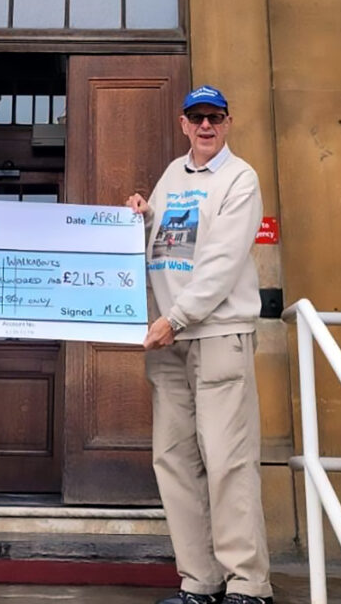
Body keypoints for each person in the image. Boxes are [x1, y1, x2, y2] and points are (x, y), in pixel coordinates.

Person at [126, 86, 273, 604]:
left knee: (227, 458)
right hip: (168, 342)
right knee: (173, 459)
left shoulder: (241, 178)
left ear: (228, 123)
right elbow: (166, 247)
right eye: (196, 118)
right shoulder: (171, 175)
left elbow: (221, 262)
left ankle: (248, 586)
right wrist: (142, 218)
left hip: (214, 333)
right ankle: (200, 581)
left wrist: (176, 318)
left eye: (214, 117)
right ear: (184, 124)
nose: (205, 126)